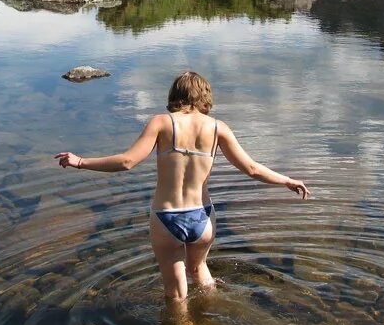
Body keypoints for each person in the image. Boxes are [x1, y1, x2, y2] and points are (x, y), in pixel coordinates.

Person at [55, 71, 310, 302]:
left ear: (174, 94)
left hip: (167, 218)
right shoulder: (218, 128)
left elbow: (128, 161)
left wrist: (81, 162)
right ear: (205, 96)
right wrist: (287, 180)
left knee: (176, 294)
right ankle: (210, 319)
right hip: (203, 217)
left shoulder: (161, 123)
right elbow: (252, 169)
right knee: (200, 270)